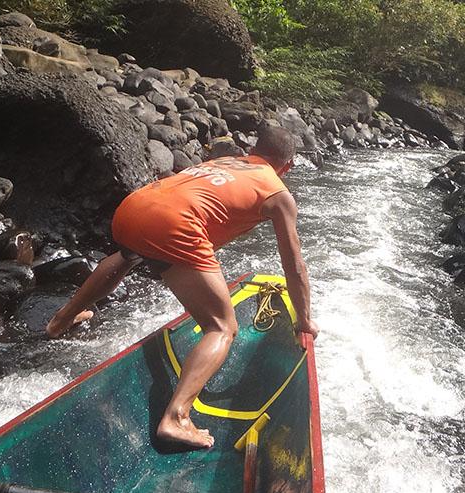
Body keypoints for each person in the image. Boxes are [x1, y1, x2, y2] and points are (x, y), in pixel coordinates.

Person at [46, 126, 319, 449]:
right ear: (286, 166)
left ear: (253, 150)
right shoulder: (278, 193)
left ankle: (61, 320)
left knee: (127, 256)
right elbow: (294, 265)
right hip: (173, 225)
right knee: (221, 327)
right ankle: (177, 418)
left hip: (134, 207)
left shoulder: (227, 162)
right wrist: (304, 320)